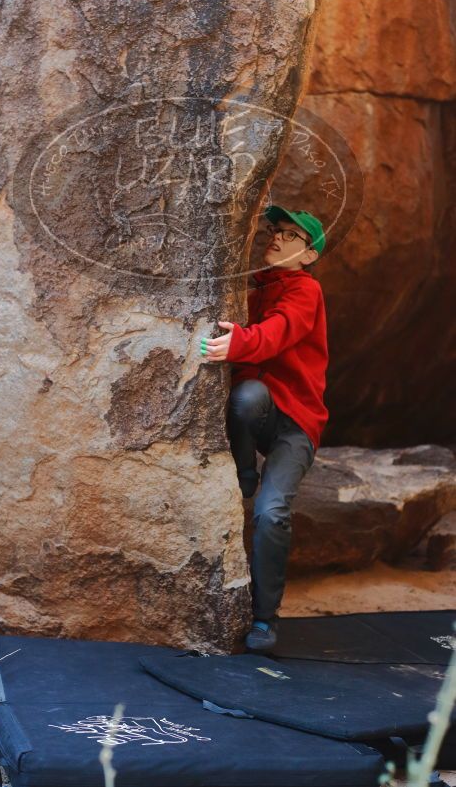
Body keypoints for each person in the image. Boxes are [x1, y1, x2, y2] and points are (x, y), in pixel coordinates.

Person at [200, 205, 329, 652]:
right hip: (262, 410)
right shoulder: (255, 289)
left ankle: (264, 618)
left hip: (297, 424)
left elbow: (279, 332)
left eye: (291, 235)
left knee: (272, 512)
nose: (276, 237)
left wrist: (238, 342)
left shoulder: (306, 289)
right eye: (275, 230)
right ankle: (244, 473)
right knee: (246, 395)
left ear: (309, 255)